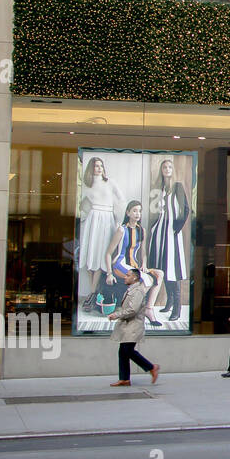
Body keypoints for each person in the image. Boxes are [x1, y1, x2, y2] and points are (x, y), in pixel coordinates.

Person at [104, 200, 164, 326]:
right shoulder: (122, 230)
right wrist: (109, 273)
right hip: (120, 265)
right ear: (128, 213)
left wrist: (144, 265)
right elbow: (108, 253)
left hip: (135, 266)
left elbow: (143, 252)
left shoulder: (142, 230)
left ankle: (148, 309)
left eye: (140, 211)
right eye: (134, 210)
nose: (138, 213)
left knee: (159, 273)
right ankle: (132, 310)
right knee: (147, 279)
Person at [77, 156, 123, 314]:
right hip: (93, 219)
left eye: (101, 165)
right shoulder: (87, 185)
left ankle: (92, 294)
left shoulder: (110, 182)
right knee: (91, 256)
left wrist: (117, 218)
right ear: (92, 168)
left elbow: (121, 199)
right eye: (96, 166)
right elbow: (81, 204)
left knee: (101, 255)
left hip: (106, 219)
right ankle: (92, 292)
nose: (99, 168)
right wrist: (85, 215)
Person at [149, 158, 191, 321]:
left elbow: (186, 209)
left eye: (169, 167)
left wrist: (176, 227)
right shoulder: (159, 188)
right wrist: (154, 227)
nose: (167, 169)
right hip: (160, 232)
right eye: (164, 167)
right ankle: (169, 302)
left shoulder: (177, 187)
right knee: (162, 267)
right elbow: (156, 211)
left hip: (171, 232)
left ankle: (177, 309)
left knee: (172, 267)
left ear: (173, 170)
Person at [107, 267, 159, 387]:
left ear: (135, 277)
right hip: (127, 326)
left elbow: (132, 310)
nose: (125, 277)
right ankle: (124, 379)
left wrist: (116, 315)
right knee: (123, 352)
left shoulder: (138, 291)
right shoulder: (131, 290)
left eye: (128, 275)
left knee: (128, 350)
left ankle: (152, 367)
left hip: (133, 326)